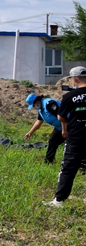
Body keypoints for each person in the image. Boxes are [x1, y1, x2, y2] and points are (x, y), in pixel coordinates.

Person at [45, 66, 86, 207]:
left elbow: (61, 116)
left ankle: (59, 201)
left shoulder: (69, 96)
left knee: (68, 168)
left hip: (76, 138)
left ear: (74, 79)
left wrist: (64, 129)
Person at [24, 93, 63, 164]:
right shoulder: (41, 109)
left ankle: (81, 164)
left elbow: (62, 116)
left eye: (33, 105)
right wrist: (30, 133)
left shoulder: (49, 104)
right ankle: (48, 162)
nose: (34, 107)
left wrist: (65, 130)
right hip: (59, 127)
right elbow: (38, 122)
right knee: (52, 141)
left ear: (37, 101)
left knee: (74, 144)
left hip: (70, 125)